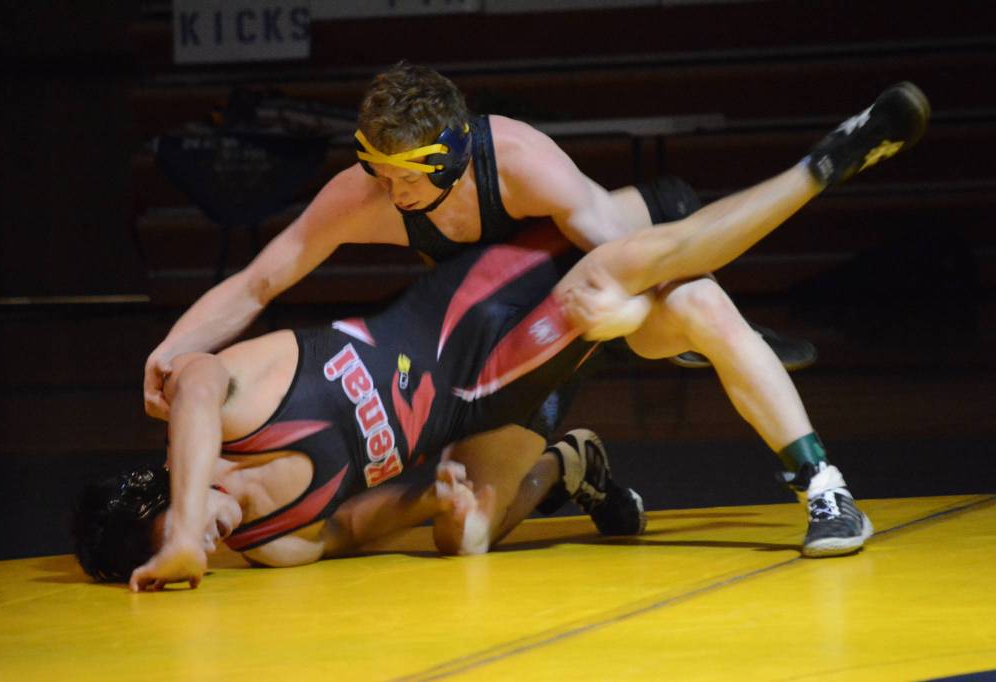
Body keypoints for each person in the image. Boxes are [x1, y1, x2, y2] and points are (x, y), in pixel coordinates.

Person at [73, 81, 930, 589]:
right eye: (376, 171)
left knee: (649, 292)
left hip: (538, 280)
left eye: (401, 178)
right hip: (485, 404)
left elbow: (189, 381)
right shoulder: (283, 544)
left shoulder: (514, 156)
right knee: (476, 537)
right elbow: (264, 278)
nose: (383, 191)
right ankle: (578, 460)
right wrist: (451, 521)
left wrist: (185, 518)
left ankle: (824, 167)